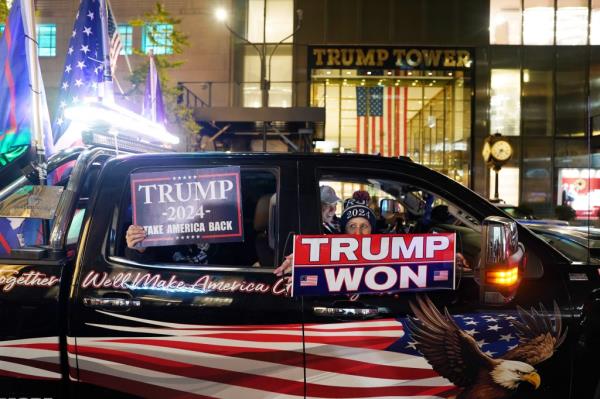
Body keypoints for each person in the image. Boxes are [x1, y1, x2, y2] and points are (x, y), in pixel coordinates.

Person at [274, 190, 376, 276]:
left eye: (364, 226)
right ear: (344, 230)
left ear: (372, 228)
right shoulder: (334, 249)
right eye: (352, 226)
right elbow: (320, 254)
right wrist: (302, 260)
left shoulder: (384, 249)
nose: (358, 233)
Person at [125, 224, 211, 264]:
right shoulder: (155, 232)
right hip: (170, 288)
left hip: (213, 285)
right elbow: (142, 262)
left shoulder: (213, 228)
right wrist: (139, 248)